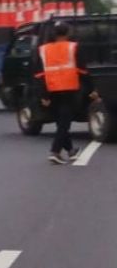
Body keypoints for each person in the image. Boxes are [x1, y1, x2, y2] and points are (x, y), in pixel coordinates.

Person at [33, 23, 97, 164]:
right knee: (64, 123)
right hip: (69, 88)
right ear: (68, 33)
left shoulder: (43, 50)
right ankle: (55, 151)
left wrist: (43, 95)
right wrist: (92, 89)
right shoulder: (73, 47)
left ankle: (70, 150)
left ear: (54, 34)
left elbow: (39, 74)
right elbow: (83, 71)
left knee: (60, 122)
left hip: (51, 89)